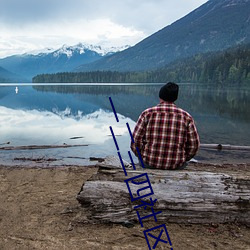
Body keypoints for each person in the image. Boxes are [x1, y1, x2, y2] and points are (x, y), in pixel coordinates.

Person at [130, 82, 200, 170]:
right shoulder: (186, 117)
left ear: (160, 96)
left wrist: (142, 156)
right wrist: (183, 158)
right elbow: (194, 146)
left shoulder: (147, 114)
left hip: (149, 163)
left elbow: (135, 141)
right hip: (176, 165)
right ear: (175, 98)